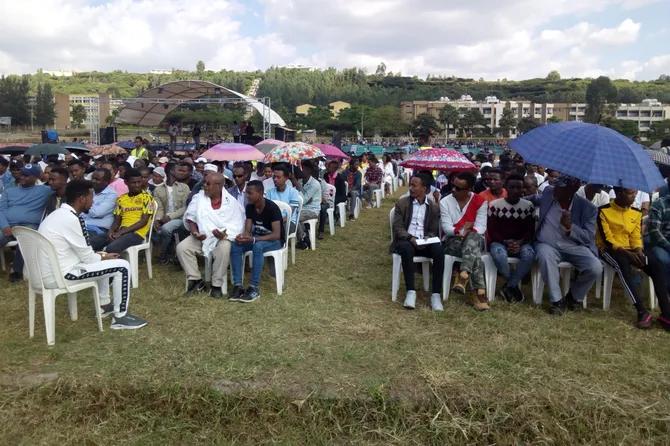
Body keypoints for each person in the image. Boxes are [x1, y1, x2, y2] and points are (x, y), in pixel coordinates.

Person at [38, 180, 147, 329]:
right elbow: (88, 258)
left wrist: (101, 256)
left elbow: (83, 253)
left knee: (103, 260)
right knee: (122, 266)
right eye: (91, 197)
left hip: (49, 271)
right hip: (61, 275)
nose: (93, 201)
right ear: (82, 198)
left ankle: (103, 306)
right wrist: (102, 256)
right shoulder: (70, 219)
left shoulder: (58, 214)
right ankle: (120, 318)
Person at [597, 187, 670, 330]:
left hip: (632, 250)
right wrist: (628, 254)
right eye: (631, 194)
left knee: (655, 264)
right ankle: (642, 311)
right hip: (609, 250)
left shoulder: (635, 213)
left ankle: (666, 313)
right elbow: (608, 240)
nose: (634, 197)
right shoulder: (604, 211)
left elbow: (636, 236)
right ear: (619, 194)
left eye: (635, 194)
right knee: (622, 265)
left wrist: (639, 251)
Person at [533, 175, 602, 315]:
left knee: (595, 267)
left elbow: (588, 238)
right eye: (556, 186)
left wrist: (571, 227)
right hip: (548, 244)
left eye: (561, 188)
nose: (556, 190)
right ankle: (557, 301)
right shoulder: (548, 192)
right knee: (545, 256)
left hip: (574, 246)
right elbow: (534, 198)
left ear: (574, 189)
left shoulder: (588, 208)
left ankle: (574, 296)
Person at [177, 173, 245, 298]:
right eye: (204, 182)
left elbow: (237, 225)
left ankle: (216, 285)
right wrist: (195, 232)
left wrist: (223, 234)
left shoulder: (231, 202)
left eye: (208, 183)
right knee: (182, 247)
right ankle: (196, 280)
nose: (204, 185)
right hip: (202, 235)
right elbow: (190, 218)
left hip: (222, 238)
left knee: (224, 248)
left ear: (218, 186)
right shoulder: (199, 198)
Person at [391, 173, 444, 311]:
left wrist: (429, 237)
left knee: (439, 250)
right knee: (407, 249)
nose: (411, 188)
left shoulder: (433, 207)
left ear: (424, 189)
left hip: (424, 242)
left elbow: (433, 229)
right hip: (406, 240)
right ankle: (411, 291)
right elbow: (398, 227)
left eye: (414, 185)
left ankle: (436, 294)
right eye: (410, 185)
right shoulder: (402, 203)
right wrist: (410, 238)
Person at [440, 171, 489, 311]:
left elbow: (481, 227)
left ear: (469, 190)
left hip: (473, 239)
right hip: (453, 241)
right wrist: (462, 231)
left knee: (473, 238)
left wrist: (470, 231)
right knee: (475, 253)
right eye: (453, 186)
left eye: (459, 188)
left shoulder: (480, 202)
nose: (454, 190)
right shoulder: (445, 201)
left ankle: (463, 276)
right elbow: (447, 227)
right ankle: (478, 293)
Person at [230, 180, 284, 303]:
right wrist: (243, 237)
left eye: (250, 193)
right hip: (258, 239)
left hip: (275, 241)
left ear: (260, 193)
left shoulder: (272, 208)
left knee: (258, 247)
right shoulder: (249, 207)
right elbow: (248, 231)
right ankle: (238, 286)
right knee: (236, 245)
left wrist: (254, 239)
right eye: (246, 193)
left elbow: (276, 235)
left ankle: (254, 288)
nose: (247, 196)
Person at [0, 163, 54, 281]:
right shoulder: (9, 191)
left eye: (27, 176)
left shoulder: (45, 190)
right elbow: (1, 210)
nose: (23, 177)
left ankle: (17, 271)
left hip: (28, 226)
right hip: (7, 226)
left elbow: (62, 187)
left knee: (26, 239)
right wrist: (5, 226)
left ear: (35, 177)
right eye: (22, 174)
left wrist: (45, 177)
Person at [487, 174, 535, 302]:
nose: (515, 190)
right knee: (498, 254)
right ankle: (512, 285)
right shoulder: (495, 205)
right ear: (506, 188)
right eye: (512, 187)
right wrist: (505, 241)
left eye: (519, 187)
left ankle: (509, 286)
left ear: (523, 189)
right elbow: (492, 230)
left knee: (529, 254)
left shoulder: (528, 206)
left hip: (521, 243)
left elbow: (530, 230)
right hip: (500, 242)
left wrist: (520, 242)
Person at [104, 169, 154, 254]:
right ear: (126, 182)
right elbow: (117, 221)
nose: (137, 185)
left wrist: (121, 232)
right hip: (122, 231)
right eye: (133, 183)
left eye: (139, 182)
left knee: (111, 248)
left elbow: (143, 222)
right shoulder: (121, 199)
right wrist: (111, 231)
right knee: (95, 242)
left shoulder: (147, 198)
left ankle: (118, 266)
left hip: (137, 233)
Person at [153, 165, 190, 264]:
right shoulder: (158, 189)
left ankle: (163, 254)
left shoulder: (184, 187)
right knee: (157, 227)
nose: (182, 172)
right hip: (165, 218)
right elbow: (159, 208)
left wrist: (170, 217)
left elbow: (185, 207)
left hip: (181, 218)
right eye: (179, 170)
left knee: (165, 229)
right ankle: (170, 252)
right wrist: (158, 219)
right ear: (171, 171)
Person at [82, 168, 118, 251]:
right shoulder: (89, 191)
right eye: (93, 178)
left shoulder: (112, 195)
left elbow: (97, 213)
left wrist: (84, 205)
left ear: (107, 182)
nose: (93, 181)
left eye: (97, 179)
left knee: (84, 245)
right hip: (83, 226)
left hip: (100, 231)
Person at [266, 164, 301, 232]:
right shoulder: (269, 192)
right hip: (273, 222)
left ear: (286, 178)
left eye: (278, 177)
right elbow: (267, 211)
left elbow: (290, 213)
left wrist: (276, 223)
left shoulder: (293, 192)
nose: (275, 179)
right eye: (274, 177)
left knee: (279, 230)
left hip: (289, 221)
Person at [295, 161, 321, 249]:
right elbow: (295, 196)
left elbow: (303, 200)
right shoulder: (301, 181)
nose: (301, 170)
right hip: (302, 209)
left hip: (312, 210)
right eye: (300, 168)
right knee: (292, 215)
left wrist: (297, 185)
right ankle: (304, 236)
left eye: (303, 169)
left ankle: (302, 239)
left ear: (309, 170)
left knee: (294, 217)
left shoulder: (315, 184)